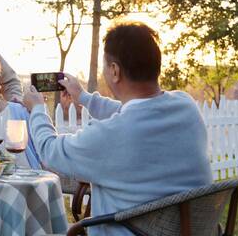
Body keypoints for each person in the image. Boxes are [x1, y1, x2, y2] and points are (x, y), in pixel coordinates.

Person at [23, 22, 212, 236]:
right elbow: (134, 112)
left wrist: (37, 109)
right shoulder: (186, 106)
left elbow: (50, 150)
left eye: (105, 66)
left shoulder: (110, 135)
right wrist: (84, 97)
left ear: (114, 70)